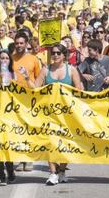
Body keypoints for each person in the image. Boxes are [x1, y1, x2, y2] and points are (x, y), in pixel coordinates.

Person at [30, 43, 83, 185]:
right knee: (51, 142)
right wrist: (26, 78)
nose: (55, 55)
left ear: (64, 55)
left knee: (66, 143)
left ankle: (62, 171)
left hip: (67, 114)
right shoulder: (45, 70)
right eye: (53, 53)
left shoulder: (71, 70)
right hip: (49, 113)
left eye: (58, 53)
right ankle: (53, 173)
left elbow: (78, 90)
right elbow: (35, 88)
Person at [12, 32, 41, 171]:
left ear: (26, 44)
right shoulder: (10, 58)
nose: (19, 46)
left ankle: (29, 159)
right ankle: (20, 158)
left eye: (21, 43)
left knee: (28, 129)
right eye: (17, 43)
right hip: (13, 99)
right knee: (18, 130)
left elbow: (38, 80)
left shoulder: (33, 59)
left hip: (29, 99)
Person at [0, 50, 17, 186]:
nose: (4, 60)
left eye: (7, 58)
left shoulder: (13, 74)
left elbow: (17, 93)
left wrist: (11, 80)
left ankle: (11, 171)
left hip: (10, 114)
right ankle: (0, 174)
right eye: (2, 58)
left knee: (9, 144)